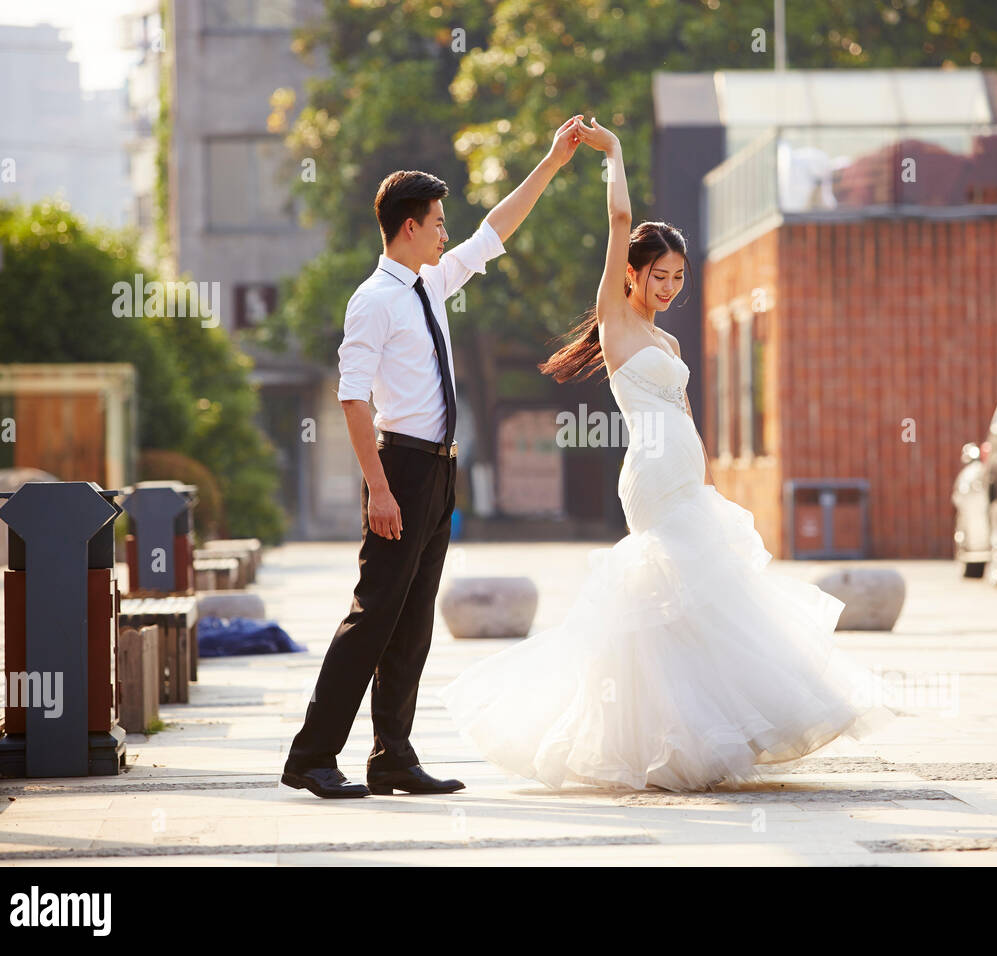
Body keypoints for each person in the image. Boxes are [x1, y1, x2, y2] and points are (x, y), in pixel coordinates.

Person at [439, 118, 895, 792]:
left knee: (700, 605)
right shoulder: (618, 320)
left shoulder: (670, 344)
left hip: (685, 483)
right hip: (653, 483)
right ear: (632, 274)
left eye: (679, 277)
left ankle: (700, 729)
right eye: (660, 274)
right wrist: (613, 152)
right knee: (672, 596)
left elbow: (684, 417)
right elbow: (620, 213)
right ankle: (667, 738)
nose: (670, 286)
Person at [282, 117, 586, 799]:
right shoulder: (374, 300)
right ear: (409, 226)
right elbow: (352, 400)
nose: (448, 231)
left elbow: (495, 232)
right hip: (402, 469)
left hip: (439, 470)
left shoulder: (429, 283)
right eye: (439, 222)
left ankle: (392, 755)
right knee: (372, 616)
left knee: (412, 623)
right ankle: (311, 755)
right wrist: (379, 488)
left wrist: (552, 162)